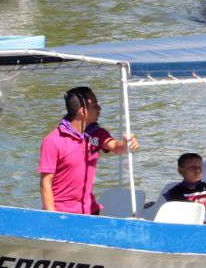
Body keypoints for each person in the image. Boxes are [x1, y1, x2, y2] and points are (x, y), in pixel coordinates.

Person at [37, 86, 136, 214]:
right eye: (95, 105)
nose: (99, 109)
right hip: (62, 214)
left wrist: (127, 144)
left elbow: (116, 146)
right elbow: (45, 183)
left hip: (90, 210)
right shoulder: (52, 141)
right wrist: (51, 217)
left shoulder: (98, 134)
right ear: (83, 112)